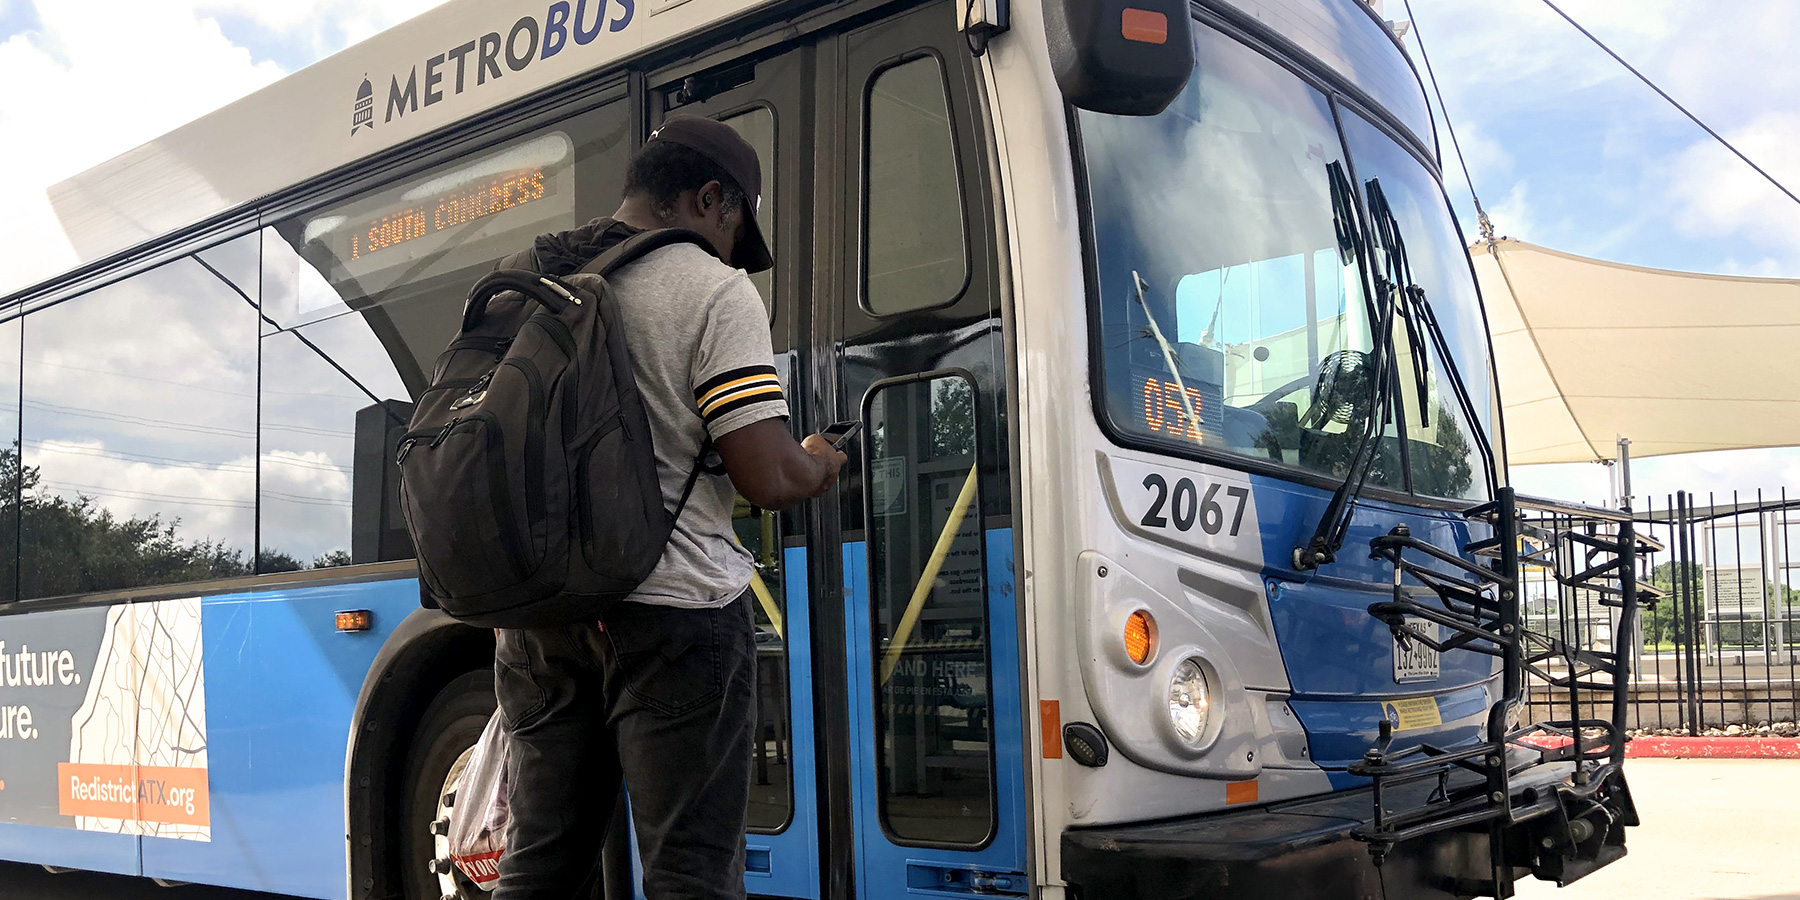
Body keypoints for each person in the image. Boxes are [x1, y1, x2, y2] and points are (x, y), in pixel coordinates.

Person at [491, 114, 846, 900]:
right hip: (673, 617)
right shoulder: (714, 292)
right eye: (733, 230)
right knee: (690, 874)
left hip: (539, 622)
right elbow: (765, 475)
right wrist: (818, 462)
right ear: (710, 198)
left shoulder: (532, 277)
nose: (729, 253)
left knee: (540, 866)